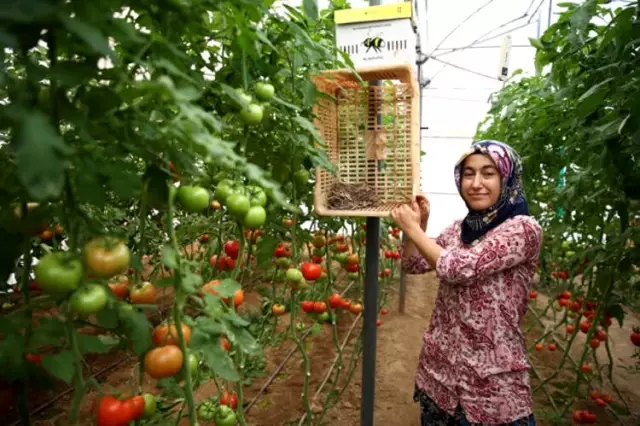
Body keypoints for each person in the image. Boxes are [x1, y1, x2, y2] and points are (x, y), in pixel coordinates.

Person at [390, 140, 542, 426]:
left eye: (488, 173)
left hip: (491, 389)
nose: (476, 183)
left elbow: (458, 268)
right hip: (439, 379)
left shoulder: (523, 229)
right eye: (468, 174)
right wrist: (420, 226)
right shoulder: (459, 229)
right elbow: (413, 264)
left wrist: (410, 227)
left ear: (507, 178)